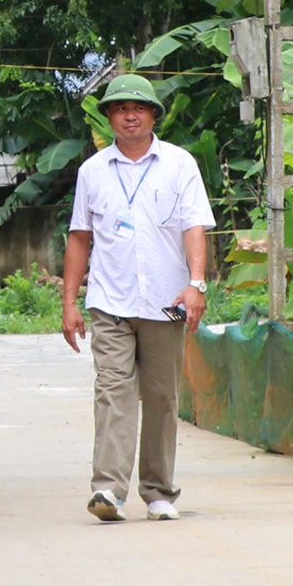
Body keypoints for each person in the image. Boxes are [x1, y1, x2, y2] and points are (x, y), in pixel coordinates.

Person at [60, 73, 215, 523]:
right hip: (110, 302)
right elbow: (79, 238)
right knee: (112, 392)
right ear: (108, 117)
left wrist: (197, 283)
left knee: (162, 398)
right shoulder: (92, 171)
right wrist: (70, 303)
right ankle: (108, 489)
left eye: (139, 107)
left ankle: (159, 491)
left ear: (153, 115)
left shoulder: (179, 164)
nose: (130, 114)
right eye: (120, 108)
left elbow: (194, 227)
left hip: (167, 301)